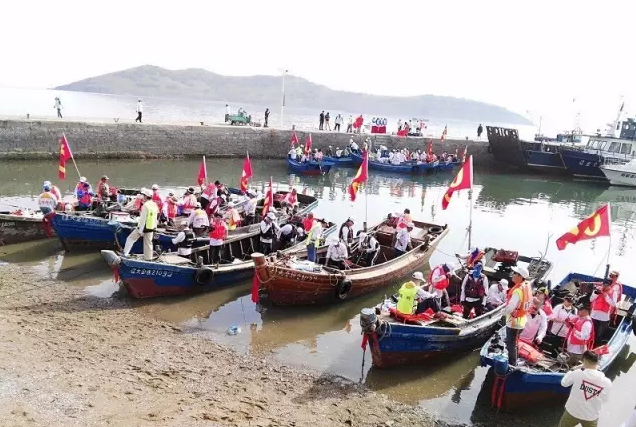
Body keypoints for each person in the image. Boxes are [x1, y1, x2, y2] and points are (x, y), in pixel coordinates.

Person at [558, 350, 612, 427]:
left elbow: (564, 383)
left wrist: (572, 369)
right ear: (597, 362)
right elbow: (605, 400)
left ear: (584, 361)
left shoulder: (577, 373)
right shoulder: (607, 382)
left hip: (572, 412)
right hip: (591, 416)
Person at [503, 265, 533, 367]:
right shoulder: (526, 286)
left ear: (520, 277)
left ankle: (512, 363)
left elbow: (510, 308)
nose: (513, 274)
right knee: (514, 342)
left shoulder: (518, 291)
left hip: (514, 322)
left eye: (515, 273)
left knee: (511, 344)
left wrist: (502, 313)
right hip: (522, 320)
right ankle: (514, 360)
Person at [123, 189, 158, 261]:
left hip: (143, 227)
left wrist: (140, 230)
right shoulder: (154, 205)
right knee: (148, 243)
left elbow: (143, 219)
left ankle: (125, 254)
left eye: (144, 195)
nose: (143, 197)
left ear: (146, 196)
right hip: (151, 227)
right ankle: (148, 258)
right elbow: (155, 217)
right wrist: (155, 227)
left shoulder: (145, 205)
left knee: (130, 238)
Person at [590, 271, 621, 343]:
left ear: (610, 285)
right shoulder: (598, 289)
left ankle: (597, 344)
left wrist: (606, 296)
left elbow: (613, 304)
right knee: (591, 331)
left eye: (607, 285)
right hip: (594, 315)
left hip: (604, 317)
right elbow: (591, 299)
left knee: (599, 334)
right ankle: (589, 342)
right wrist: (596, 294)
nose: (604, 286)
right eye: (604, 284)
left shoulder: (613, 292)